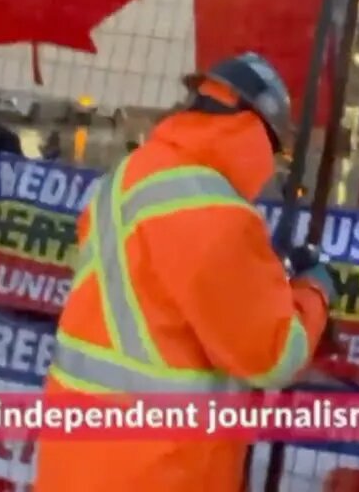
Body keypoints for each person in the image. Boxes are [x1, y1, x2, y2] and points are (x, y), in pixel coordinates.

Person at [33, 52, 338, 492]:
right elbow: (274, 355)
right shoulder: (217, 211)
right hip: (158, 468)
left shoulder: (130, 175)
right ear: (257, 133)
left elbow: (151, 297)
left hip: (76, 459)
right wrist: (315, 290)